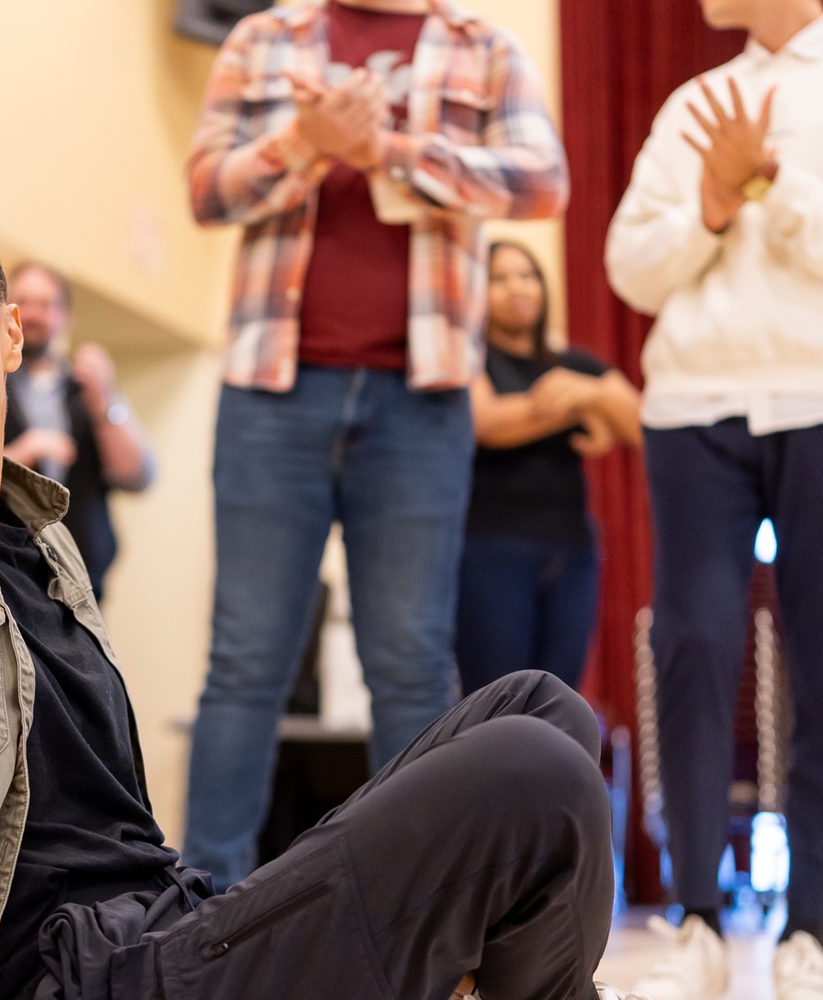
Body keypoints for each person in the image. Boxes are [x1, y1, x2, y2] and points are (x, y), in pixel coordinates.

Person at [0, 150, 642, 1000]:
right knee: (535, 776)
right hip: (58, 980)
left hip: (166, 927)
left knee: (541, 708)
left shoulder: (49, 542)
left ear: (12, 335)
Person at [604, 0, 823, 996]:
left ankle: (811, 930)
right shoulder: (691, 101)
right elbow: (629, 264)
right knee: (690, 644)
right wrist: (713, 204)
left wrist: (771, 183)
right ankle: (696, 923)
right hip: (695, 404)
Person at [182, 0, 569, 890]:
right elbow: (207, 189)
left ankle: (412, 909)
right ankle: (200, 912)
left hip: (421, 399)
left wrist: (386, 154)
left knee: (410, 663)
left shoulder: (486, 46)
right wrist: (303, 143)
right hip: (271, 388)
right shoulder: (262, 38)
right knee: (244, 661)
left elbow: (543, 183)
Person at [455, 241, 640, 696]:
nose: (516, 288)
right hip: (489, 548)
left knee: (558, 700)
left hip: (570, 552)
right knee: (495, 703)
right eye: (499, 278)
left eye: (527, 275)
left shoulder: (574, 365)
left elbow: (639, 423)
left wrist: (585, 394)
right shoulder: (470, 358)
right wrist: (580, 405)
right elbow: (488, 423)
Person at [3, 261, 155, 599]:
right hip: (8, 569)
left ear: (65, 317)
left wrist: (103, 401)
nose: (33, 313)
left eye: (46, 304)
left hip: (84, 576)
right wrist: (20, 454)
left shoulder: (90, 387)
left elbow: (138, 476)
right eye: (23, 302)